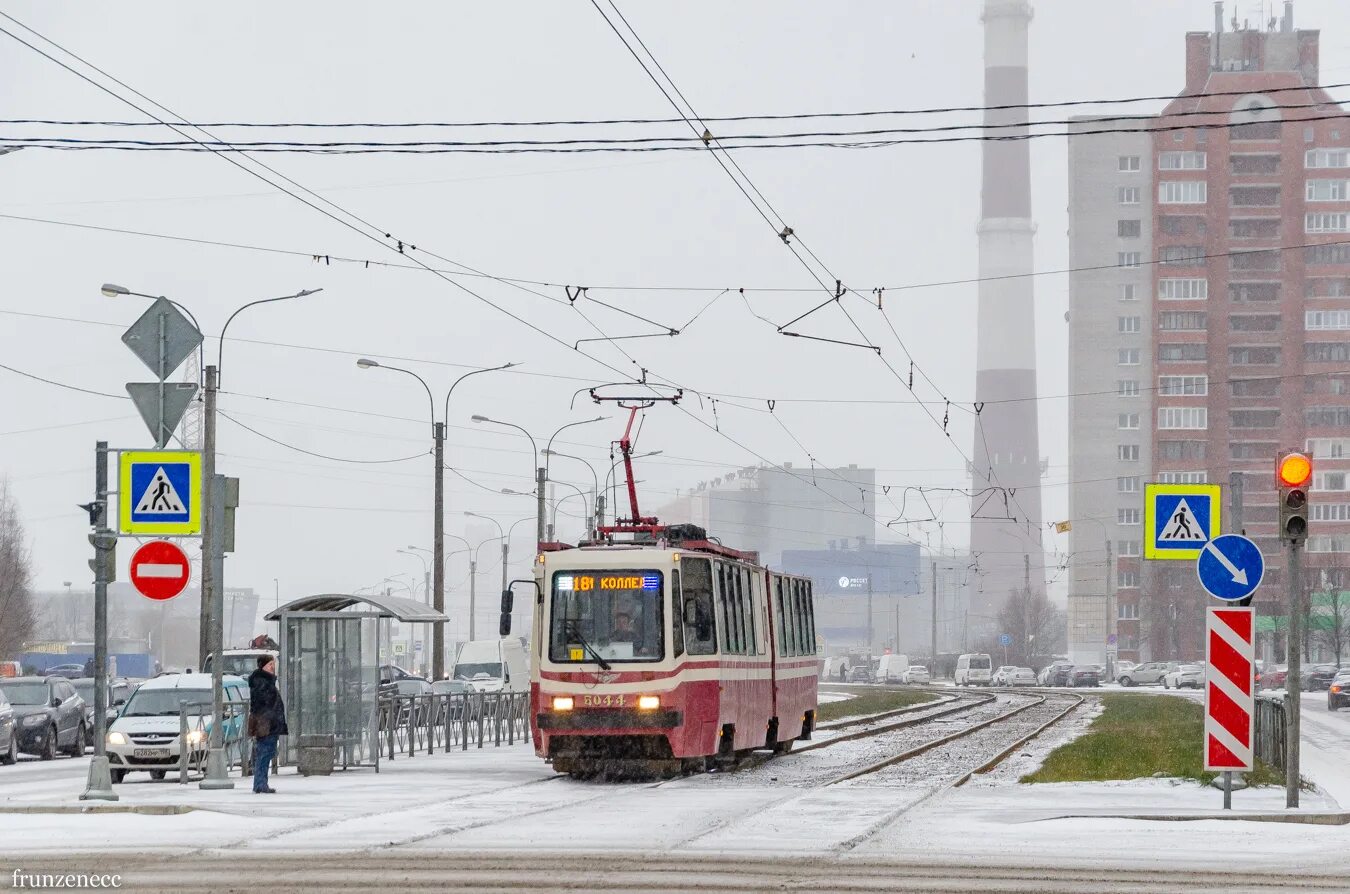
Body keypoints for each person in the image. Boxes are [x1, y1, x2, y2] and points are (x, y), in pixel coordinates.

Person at [247, 655, 288, 794]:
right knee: (264, 753)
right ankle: (260, 783)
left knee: (267, 752)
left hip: (269, 723)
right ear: (263, 666)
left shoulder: (265, 681)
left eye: (273, 664)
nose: (273, 667)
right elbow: (264, 703)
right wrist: (271, 716)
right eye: (270, 664)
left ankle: (261, 782)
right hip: (266, 724)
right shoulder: (262, 682)